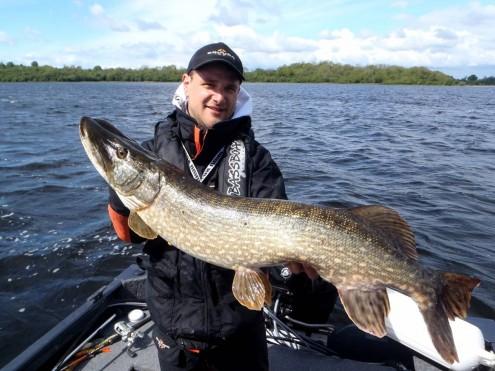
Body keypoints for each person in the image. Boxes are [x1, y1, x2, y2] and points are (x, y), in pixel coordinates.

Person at [107, 42, 290, 371]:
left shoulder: (257, 159)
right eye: (209, 84)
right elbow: (127, 235)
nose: (219, 97)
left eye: (229, 88)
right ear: (186, 82)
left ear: (238, 93)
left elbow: (278, 245)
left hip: (239, 331)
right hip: (173, 328)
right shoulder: (153, 152)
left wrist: (294, 270)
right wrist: (120, 187)